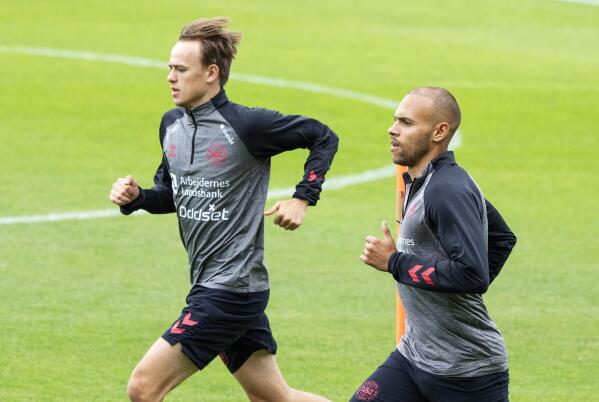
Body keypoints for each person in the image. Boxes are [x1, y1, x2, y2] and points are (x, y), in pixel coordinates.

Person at [109, 17, 338, 402]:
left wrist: (303, 197)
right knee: (274, 397)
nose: (170, 77)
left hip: (229, 291)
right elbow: (172, 194)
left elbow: (322, 136)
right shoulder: (171, 126)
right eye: (169, 68)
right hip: (221, 286)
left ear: (211, 73)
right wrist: (137, 199)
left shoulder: (247, 126)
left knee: (143, 388)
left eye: (181, 69)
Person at [354, 87, 516, 402]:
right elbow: (502, 238)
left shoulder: (447, 190)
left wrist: (394, 263)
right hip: (414, 356)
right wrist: (451, 301)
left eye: (406, 122)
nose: (393, 129)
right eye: (395, 120)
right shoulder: (424, 179)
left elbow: (472, 275)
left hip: (467, 371)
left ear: (439, 132)